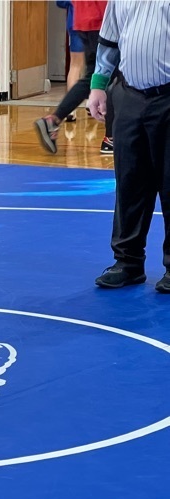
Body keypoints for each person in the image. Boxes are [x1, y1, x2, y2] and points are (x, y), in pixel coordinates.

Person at [87, 0, 170, 293]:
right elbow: (109, 39)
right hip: (129, 95)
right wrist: (98, 85)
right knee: (129, 182)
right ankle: (127, 262)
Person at [33, 0, 107, 154]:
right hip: (98, 21)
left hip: (83, 20)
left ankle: (54, 119)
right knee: (103, 76)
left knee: (95, 75)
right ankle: (112, 137)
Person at [56, 0, 84, 122]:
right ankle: (94, 102)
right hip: (96, 24)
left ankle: (71, 109)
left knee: (75, 66)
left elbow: (60, 2)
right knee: (97, 64)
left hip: (75, 23)